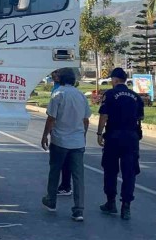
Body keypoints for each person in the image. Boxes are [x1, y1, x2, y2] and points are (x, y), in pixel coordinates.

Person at [41, 67, 91, 222]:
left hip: (60, 140)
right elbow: (86, 120)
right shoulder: (81, 96)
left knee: (55, 171)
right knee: (78, 176)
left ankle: (51, 200)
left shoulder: (58, 94)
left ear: (60, 79)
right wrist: (82, 136)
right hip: (77, 142)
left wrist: (44, 136)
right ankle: (79, 210)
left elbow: (51, 119)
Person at [96, 67, 144, 220]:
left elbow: (104, 115)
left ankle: (111, 202)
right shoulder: (136, 97)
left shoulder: (110, 94)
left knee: (110, 170)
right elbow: (140, 118)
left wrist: (99, 133)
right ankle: (126, 206)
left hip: (113, 137)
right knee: (129, 173)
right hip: (131, 138)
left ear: (115, 80)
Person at [49, 69, 73, 196]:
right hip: (67, 131)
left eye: (57, 73)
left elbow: (51, 116)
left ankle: (63, 186)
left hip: (61, 130)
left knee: (60, 162)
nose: (54, 75)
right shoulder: (56, 88)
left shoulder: (59, 92)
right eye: (53, 73)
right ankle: (64, 185)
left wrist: (47, 132)